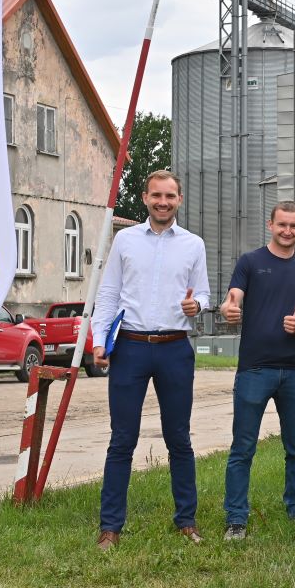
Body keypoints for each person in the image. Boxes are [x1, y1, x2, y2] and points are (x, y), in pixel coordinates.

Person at [91, 170, 211, 551]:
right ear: (145, 198)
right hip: (129, 348)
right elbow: (108, 294)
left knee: (180, 438)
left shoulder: (194, 245)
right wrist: (99, 341)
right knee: (121, 439)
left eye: (170, 196)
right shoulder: (125, 241)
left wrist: (198, 305)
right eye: (156, 195)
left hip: (175, 347)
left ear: (179, 199)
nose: (163, 202)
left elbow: (204, 295)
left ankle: (186, 521)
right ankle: (110, 527)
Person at [219, 201, 295, 542]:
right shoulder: (251, 262)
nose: (288, 231)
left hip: (293, 371)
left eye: (294, 226)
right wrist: (230, 308)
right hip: (254, 370)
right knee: (242, 448)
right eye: (282, 224)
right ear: (271, 224)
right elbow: (233, 297)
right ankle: (236, 518)